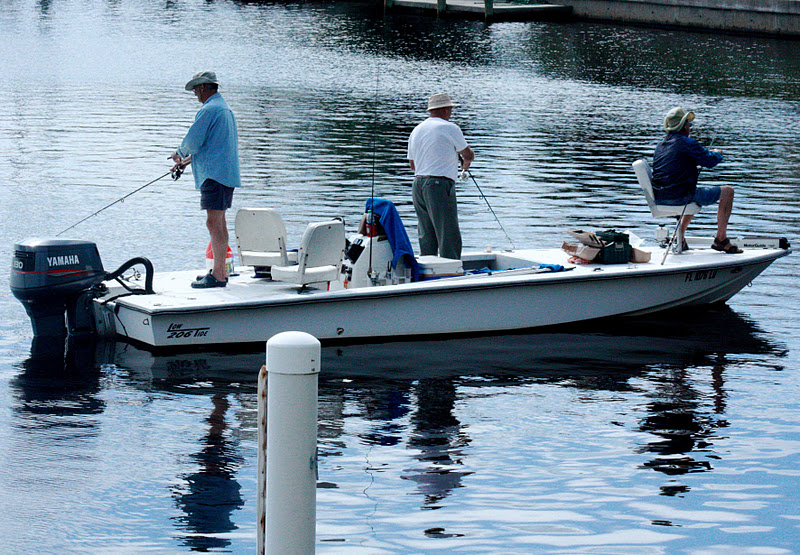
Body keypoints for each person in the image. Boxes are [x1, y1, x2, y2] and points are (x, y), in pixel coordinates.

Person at [171, 70, 241, 288]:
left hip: (214, 176)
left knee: (214, 222)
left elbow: (194, 139)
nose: (194, 93)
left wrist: (179, 153)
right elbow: (213, 146)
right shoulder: (223, 108)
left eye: (195, 88)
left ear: (203, 87)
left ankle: (219, 275)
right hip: (222, 173)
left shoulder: (210, 110)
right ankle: (219, 270)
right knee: (218, 222)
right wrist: (188, 161)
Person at [652, 106, 741, 254]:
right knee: (728, 192)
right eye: (689, 124)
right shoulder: (687, 143)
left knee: (693, 193)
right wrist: (718, 154)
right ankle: (721, 239)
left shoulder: (660, 145)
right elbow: (710, 161)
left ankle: (678, 237)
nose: (690, 128)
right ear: (683, 126)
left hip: (661, 198)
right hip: (681, 197)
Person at [407, 93, 474, 260]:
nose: (451, 112)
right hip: (438, 185)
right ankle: (451, 272)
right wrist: (465, 167)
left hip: (418, 184)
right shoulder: (450, 128)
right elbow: (468, 154)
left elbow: (412, 164)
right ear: (445, 109)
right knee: (448, 233)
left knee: (426, 233)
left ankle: (430, 270)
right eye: (450, 109)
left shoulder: (417, 129)